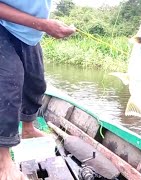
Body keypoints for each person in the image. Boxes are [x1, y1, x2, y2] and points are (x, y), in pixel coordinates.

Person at [0, 1, 76, 179]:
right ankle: (3, 161)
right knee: (10, 81)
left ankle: (28, 128)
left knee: (36, 82)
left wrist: (45, 24)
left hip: (28, 33)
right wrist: (43, 24)